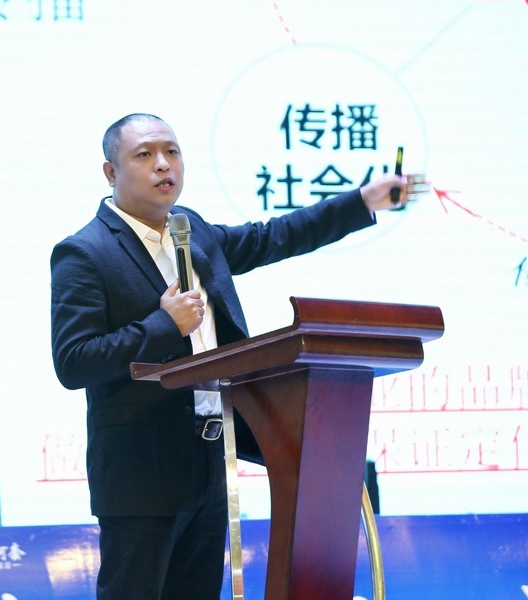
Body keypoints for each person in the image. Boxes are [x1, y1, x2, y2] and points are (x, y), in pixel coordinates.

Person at [50, 112, 427, 599]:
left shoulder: (192, 232)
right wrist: (164, 325)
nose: (163, 164)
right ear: (110, 172)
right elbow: (74, 360)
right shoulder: (85, 252)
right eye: (144, 154)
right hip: (142, 473)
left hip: (213, 455)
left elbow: (275, 236)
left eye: (172, 151)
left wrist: (363, 201)